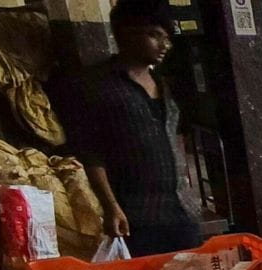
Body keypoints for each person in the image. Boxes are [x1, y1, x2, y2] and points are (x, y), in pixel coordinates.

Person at [55, 0, 201, 256]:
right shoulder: (96, 86)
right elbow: (91, 154)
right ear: (126, 33)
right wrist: (111, 207)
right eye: (155, 35)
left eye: (167, 37)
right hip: (136, 216)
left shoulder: (162, 84)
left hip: (180, 211)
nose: (165, 45)